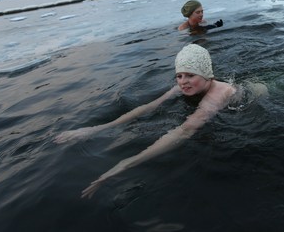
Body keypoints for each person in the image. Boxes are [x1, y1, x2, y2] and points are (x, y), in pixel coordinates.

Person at [54, 44, 267, 198]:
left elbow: (185, 131)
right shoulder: (185, 86)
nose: (183, 82)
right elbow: (148, 107)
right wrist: (94, 129)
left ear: (205, 75)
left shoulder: (216, 97)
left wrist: (124, 164)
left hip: (262, 91)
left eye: (189, 75)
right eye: (179, 75)